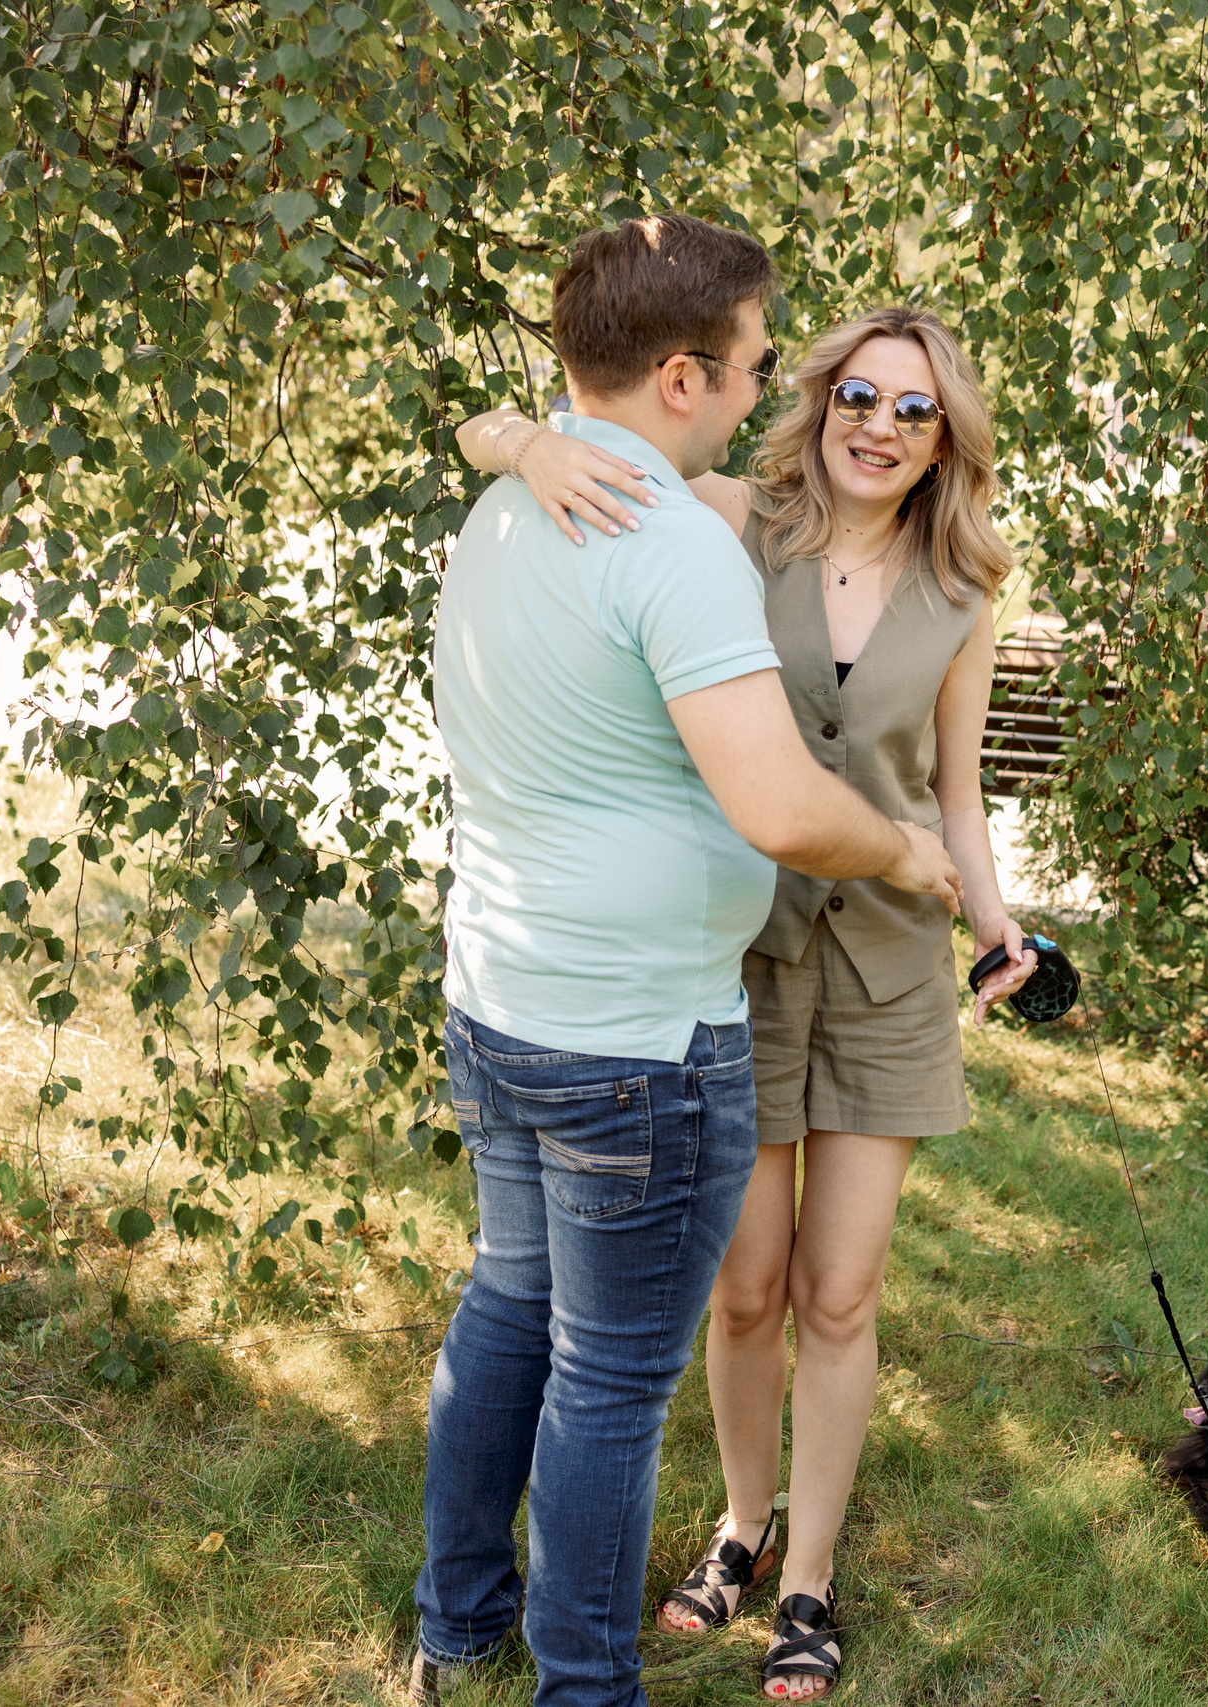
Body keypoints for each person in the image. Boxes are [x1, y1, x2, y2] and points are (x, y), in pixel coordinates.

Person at [415, 219, 965, 1707]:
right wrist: (911, 856)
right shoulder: (667, 539)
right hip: (632, 1046)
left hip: (505, 1004)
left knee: (507, 1309)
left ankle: (458, 1619)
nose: (762, 386)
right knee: (604, 1382)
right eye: (757, 362)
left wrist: (512, 436)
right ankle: (584, 1687)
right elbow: (782, 807)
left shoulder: (512, 513)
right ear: (680, 373)